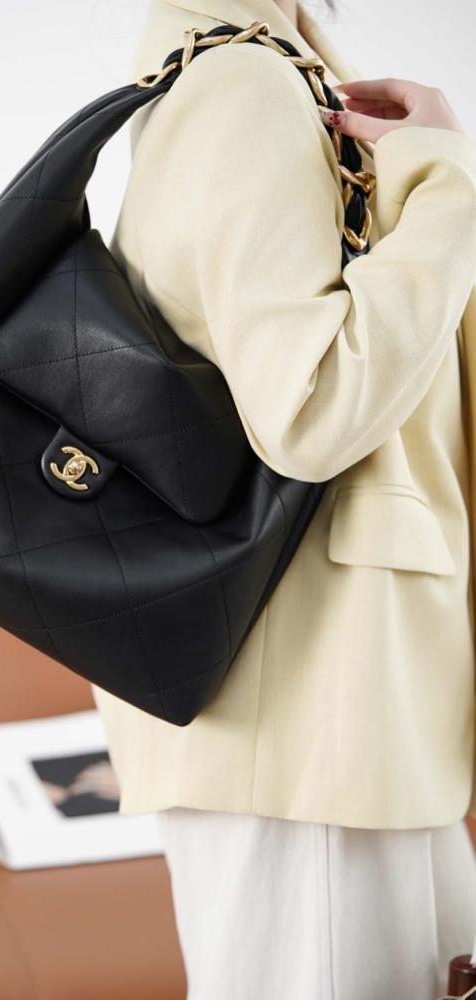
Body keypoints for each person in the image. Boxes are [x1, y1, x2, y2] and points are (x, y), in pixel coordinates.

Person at [89, 0, 476, 996]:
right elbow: (311, 410)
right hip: (318, 707)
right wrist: (444, 185)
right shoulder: (243, 88)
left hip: (337, 699)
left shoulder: (261, 72)